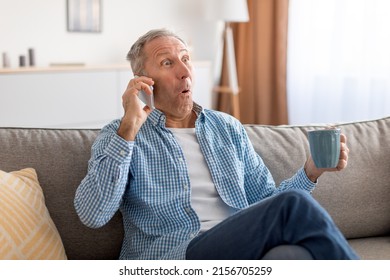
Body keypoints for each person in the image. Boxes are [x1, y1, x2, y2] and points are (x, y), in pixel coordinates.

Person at [74, 28, 359, 260]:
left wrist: (310, 172)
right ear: (143, 83)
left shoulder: (226, 127)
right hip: (178, 257)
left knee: (290, 256)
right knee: (293, 204)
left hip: (239, 248)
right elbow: (93, 214)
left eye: (186, 59)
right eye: (167, 63)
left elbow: (267, 204)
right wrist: (128, 129)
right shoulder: (121, 135)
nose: (184, 71)